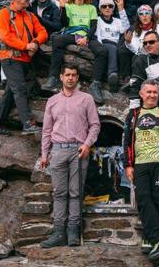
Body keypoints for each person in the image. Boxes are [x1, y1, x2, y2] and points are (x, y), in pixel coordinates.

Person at [40, 63, 101, 248]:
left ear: (77, 78)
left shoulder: (87, 99)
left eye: (74, 75)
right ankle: (59, 233)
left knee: (76, 193)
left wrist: (87, 144)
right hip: (57, 150)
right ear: (61, 77)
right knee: (59, 193)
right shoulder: (52, 101)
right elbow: (46, 130)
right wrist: (45, 153)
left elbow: (95, 125)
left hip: (79, 151)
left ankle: (73, 232)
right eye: (67, 74)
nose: (70, 78)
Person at [122, 79, 159, 261]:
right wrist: (128, 165)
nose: (152, 95)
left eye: (155, 92)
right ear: (141, 94)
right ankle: (158, 239)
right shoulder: (132, 115)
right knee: (143, 198)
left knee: (158, 200)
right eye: (149, 92)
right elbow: (126, 141)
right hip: (140, 164)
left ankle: (149, 238)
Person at [0, 0, 48, 136]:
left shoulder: (30, 15)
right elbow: (5, 36)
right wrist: (27, 46)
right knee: (19, 89)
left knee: (11, 93)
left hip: (24, 58)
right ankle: (27, 123)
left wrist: (36, 43)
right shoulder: (4, 13)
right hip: (9, 57)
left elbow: (43, 32)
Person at [41, 0, 108, 103]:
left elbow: (93, 26)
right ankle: (53, 78)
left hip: (86, 35)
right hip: (72, 33)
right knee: (57, 40)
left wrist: (86, 38)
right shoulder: (69, 6)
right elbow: (64, 23)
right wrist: (62, 7)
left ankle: (95, 84)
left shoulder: (91, 8)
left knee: (102, 51)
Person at [118, 5, 159, 83]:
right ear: (139, 17)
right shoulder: (136, 31)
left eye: (147, 13)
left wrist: (150, 50)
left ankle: (135, 81)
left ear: (151, 16)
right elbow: (136, 50)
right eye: (141, 14)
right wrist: (128, 43)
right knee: (124, 51)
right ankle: (127, 78)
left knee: (137, 57)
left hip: (158, 55)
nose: (144, 16)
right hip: (142, 55)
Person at [94, 0, 130, 92]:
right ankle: (112, 74)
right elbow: (98, 36)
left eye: (110, 6)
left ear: (113, 8)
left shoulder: (117, 21)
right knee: (112, 48)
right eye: (104, 6)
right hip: (104, 43)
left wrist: (121, 9)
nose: (107, 8)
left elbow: (126, 27)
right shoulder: (97, 20)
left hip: (116, 44)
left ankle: (125, 77)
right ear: (100, 9)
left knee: (122, 49)